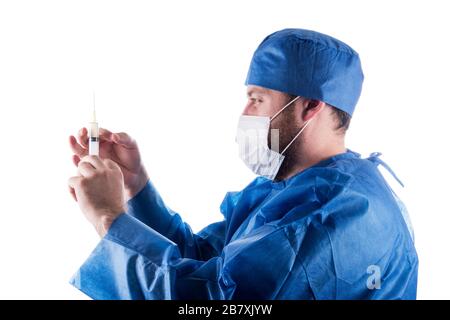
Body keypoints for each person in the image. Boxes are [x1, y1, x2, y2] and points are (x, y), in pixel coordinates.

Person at [68, 28, 418, 299]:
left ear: (310, 106)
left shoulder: (329, 216)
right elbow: (207, 260)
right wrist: (137, 187)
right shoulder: (295, 185)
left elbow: (211, 299)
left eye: (257, 99)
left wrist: (109, 217)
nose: (245, 114)